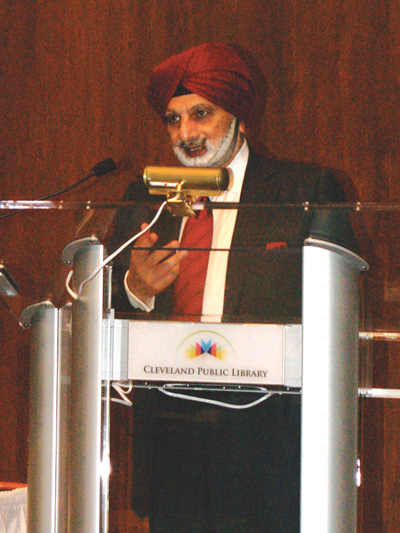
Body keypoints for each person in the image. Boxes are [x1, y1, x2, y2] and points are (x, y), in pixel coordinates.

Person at [110, 43, 357, 532]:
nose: (186, 133)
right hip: (171, 446)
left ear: (239, 116)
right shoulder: (145, 196)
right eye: (173, 119)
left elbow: (340, 312)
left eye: (201, 114)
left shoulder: (303, 192)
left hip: (269, 448)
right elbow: (105, 305)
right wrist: (135, 287)